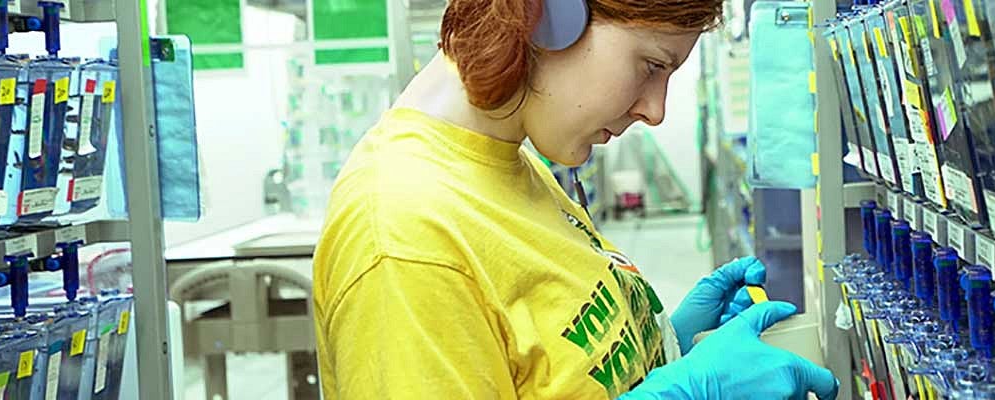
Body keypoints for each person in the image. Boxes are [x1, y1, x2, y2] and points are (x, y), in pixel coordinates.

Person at [310, 0, 839, 398]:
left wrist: (671, 345)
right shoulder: (405, 238)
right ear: (551, 15)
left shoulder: (518, 163)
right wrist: (685, 393)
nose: (655, 111)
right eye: (652, 65)